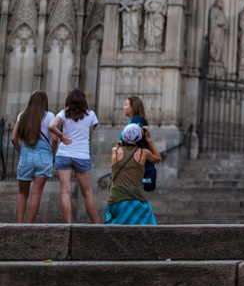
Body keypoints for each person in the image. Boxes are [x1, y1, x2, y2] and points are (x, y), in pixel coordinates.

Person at [48, 88, 100, 224]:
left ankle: (68, 225)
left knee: (65, 191)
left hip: (64, 154)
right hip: (82, 155)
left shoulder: (64, 114)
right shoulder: (91, 115)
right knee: (88, 192)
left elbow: (51, 125)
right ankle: (96, 225)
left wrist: (61, 136)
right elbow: (88, 135)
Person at [11, 90, 56, 223]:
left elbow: (13, 138)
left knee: (22, 194)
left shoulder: (22, 116)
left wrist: (22, 153)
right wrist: (51, 156)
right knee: (36, 193)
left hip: (26, 156)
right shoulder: (49, 116)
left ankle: (19, 225)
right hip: (43, 157)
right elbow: (54, 139)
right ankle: (29, 225)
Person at [106, 123, 162, 224]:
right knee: (149, 223)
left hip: (115, 200)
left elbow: (120, 144)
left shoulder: (115, 151)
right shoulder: (143, 153)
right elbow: (158, 159)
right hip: (136, 200)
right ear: (140, 139)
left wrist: (122, 141)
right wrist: (148, 140)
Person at [124, 95, 156, 192]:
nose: (124, 107)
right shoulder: (136, 121)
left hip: (135, 167)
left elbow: (135, 143)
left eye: (126, 105)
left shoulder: (137, 120)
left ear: (133, 107)